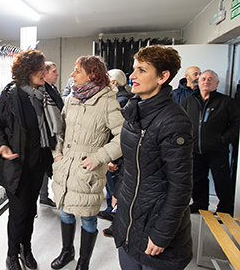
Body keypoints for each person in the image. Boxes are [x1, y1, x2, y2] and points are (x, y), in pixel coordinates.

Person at [113, 45, 193, 270]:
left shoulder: (174, 121)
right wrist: (119, 191)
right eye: (133, 69)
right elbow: (131, 161)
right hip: (130, 220)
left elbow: (181, 186)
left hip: (156, 227)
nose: (133, 76)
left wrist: (161, 234)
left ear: (163, 76)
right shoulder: (133, 111)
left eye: (142, 70)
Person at [0, 50, 63, 270]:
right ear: (28, 71)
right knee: (19, 212)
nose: (45, 72)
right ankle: (12, 254)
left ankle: (26, 248)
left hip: (39, 162)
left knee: (31, 210)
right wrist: (2, 146)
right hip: (17, 164)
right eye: (40, 69)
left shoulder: (47, 92)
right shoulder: (12, 94)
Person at [51, 55, 123, 270]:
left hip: (88, 170)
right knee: (65, 211)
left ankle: (84, 261)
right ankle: (67, 252)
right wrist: (57, 154)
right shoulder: (71, 99)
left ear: (92, 74)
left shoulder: (107, 101)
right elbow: (59, 131)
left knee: (89, 217)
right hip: (65, 167)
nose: (72, 75)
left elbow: (122, 137)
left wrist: (99, 157)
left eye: (77, 71)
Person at [182, 70, 240, 215]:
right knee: (198, 180)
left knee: (222, 181)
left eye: (210, 79)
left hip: (217, 150)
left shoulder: (226, 102)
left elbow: (236, 123)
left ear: (216, 83)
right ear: (199, 82)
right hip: (195, 150)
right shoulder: (189, 100)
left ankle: (225, 208)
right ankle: (200, 204)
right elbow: (181, 121)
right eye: (203, 79)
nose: (206, 81)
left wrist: (225, 139)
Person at [97, 69, 132, 238]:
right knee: (112, 189)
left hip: (115, 156)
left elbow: (119, 134)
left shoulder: (120, 101)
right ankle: (111, 211)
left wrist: (114, 159)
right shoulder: (121, 98)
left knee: (116, 190)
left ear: (115, 83)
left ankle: (117, 221)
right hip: (114, 154)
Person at [40, 61, 64, 207]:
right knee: (46, 167)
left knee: (48, 166)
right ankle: (44, 195)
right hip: (48, 137)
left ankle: (45, 195)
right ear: (45, 73)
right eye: (54, 71)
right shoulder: (43, 92)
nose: (57, 74)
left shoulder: (52, 89)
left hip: (53, 136)